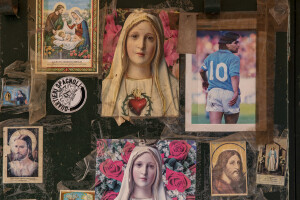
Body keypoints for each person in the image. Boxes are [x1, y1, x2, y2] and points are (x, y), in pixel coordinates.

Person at [101, 11, 179, 122]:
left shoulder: (174, 88)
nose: (141, 45)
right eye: (134, 36)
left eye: (149, 38)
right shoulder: (107, 88)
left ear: (158, 45)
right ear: (124, 40)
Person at [200, 32, 241, 124]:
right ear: (227, 44)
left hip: (213, 93)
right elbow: (234, 76)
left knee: (215, 128)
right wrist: (235, 92)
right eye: (236, 42)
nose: (238, 45)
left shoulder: (210, 57)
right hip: (229, 93)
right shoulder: (234, 58)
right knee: (230, 130)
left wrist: (205, 81)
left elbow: (201, 71)